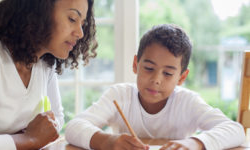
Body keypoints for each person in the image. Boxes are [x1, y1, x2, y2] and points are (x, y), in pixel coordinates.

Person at [65, 24, 245, 150]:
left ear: (181, 77)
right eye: (149, 68)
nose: (156, 79)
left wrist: (196, 143)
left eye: (167, 74)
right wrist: (108, 142)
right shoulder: (119, 95)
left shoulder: (187, 102)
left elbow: (235, 130)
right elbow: (73, 127)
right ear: (136, 64)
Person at [0, 0, 97, 149]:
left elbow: (56, 118)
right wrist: (28, 139)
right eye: (72, 19)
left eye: (83, 24)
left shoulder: (45, 64)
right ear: (39, 10)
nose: (80, 33)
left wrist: (34, 135)